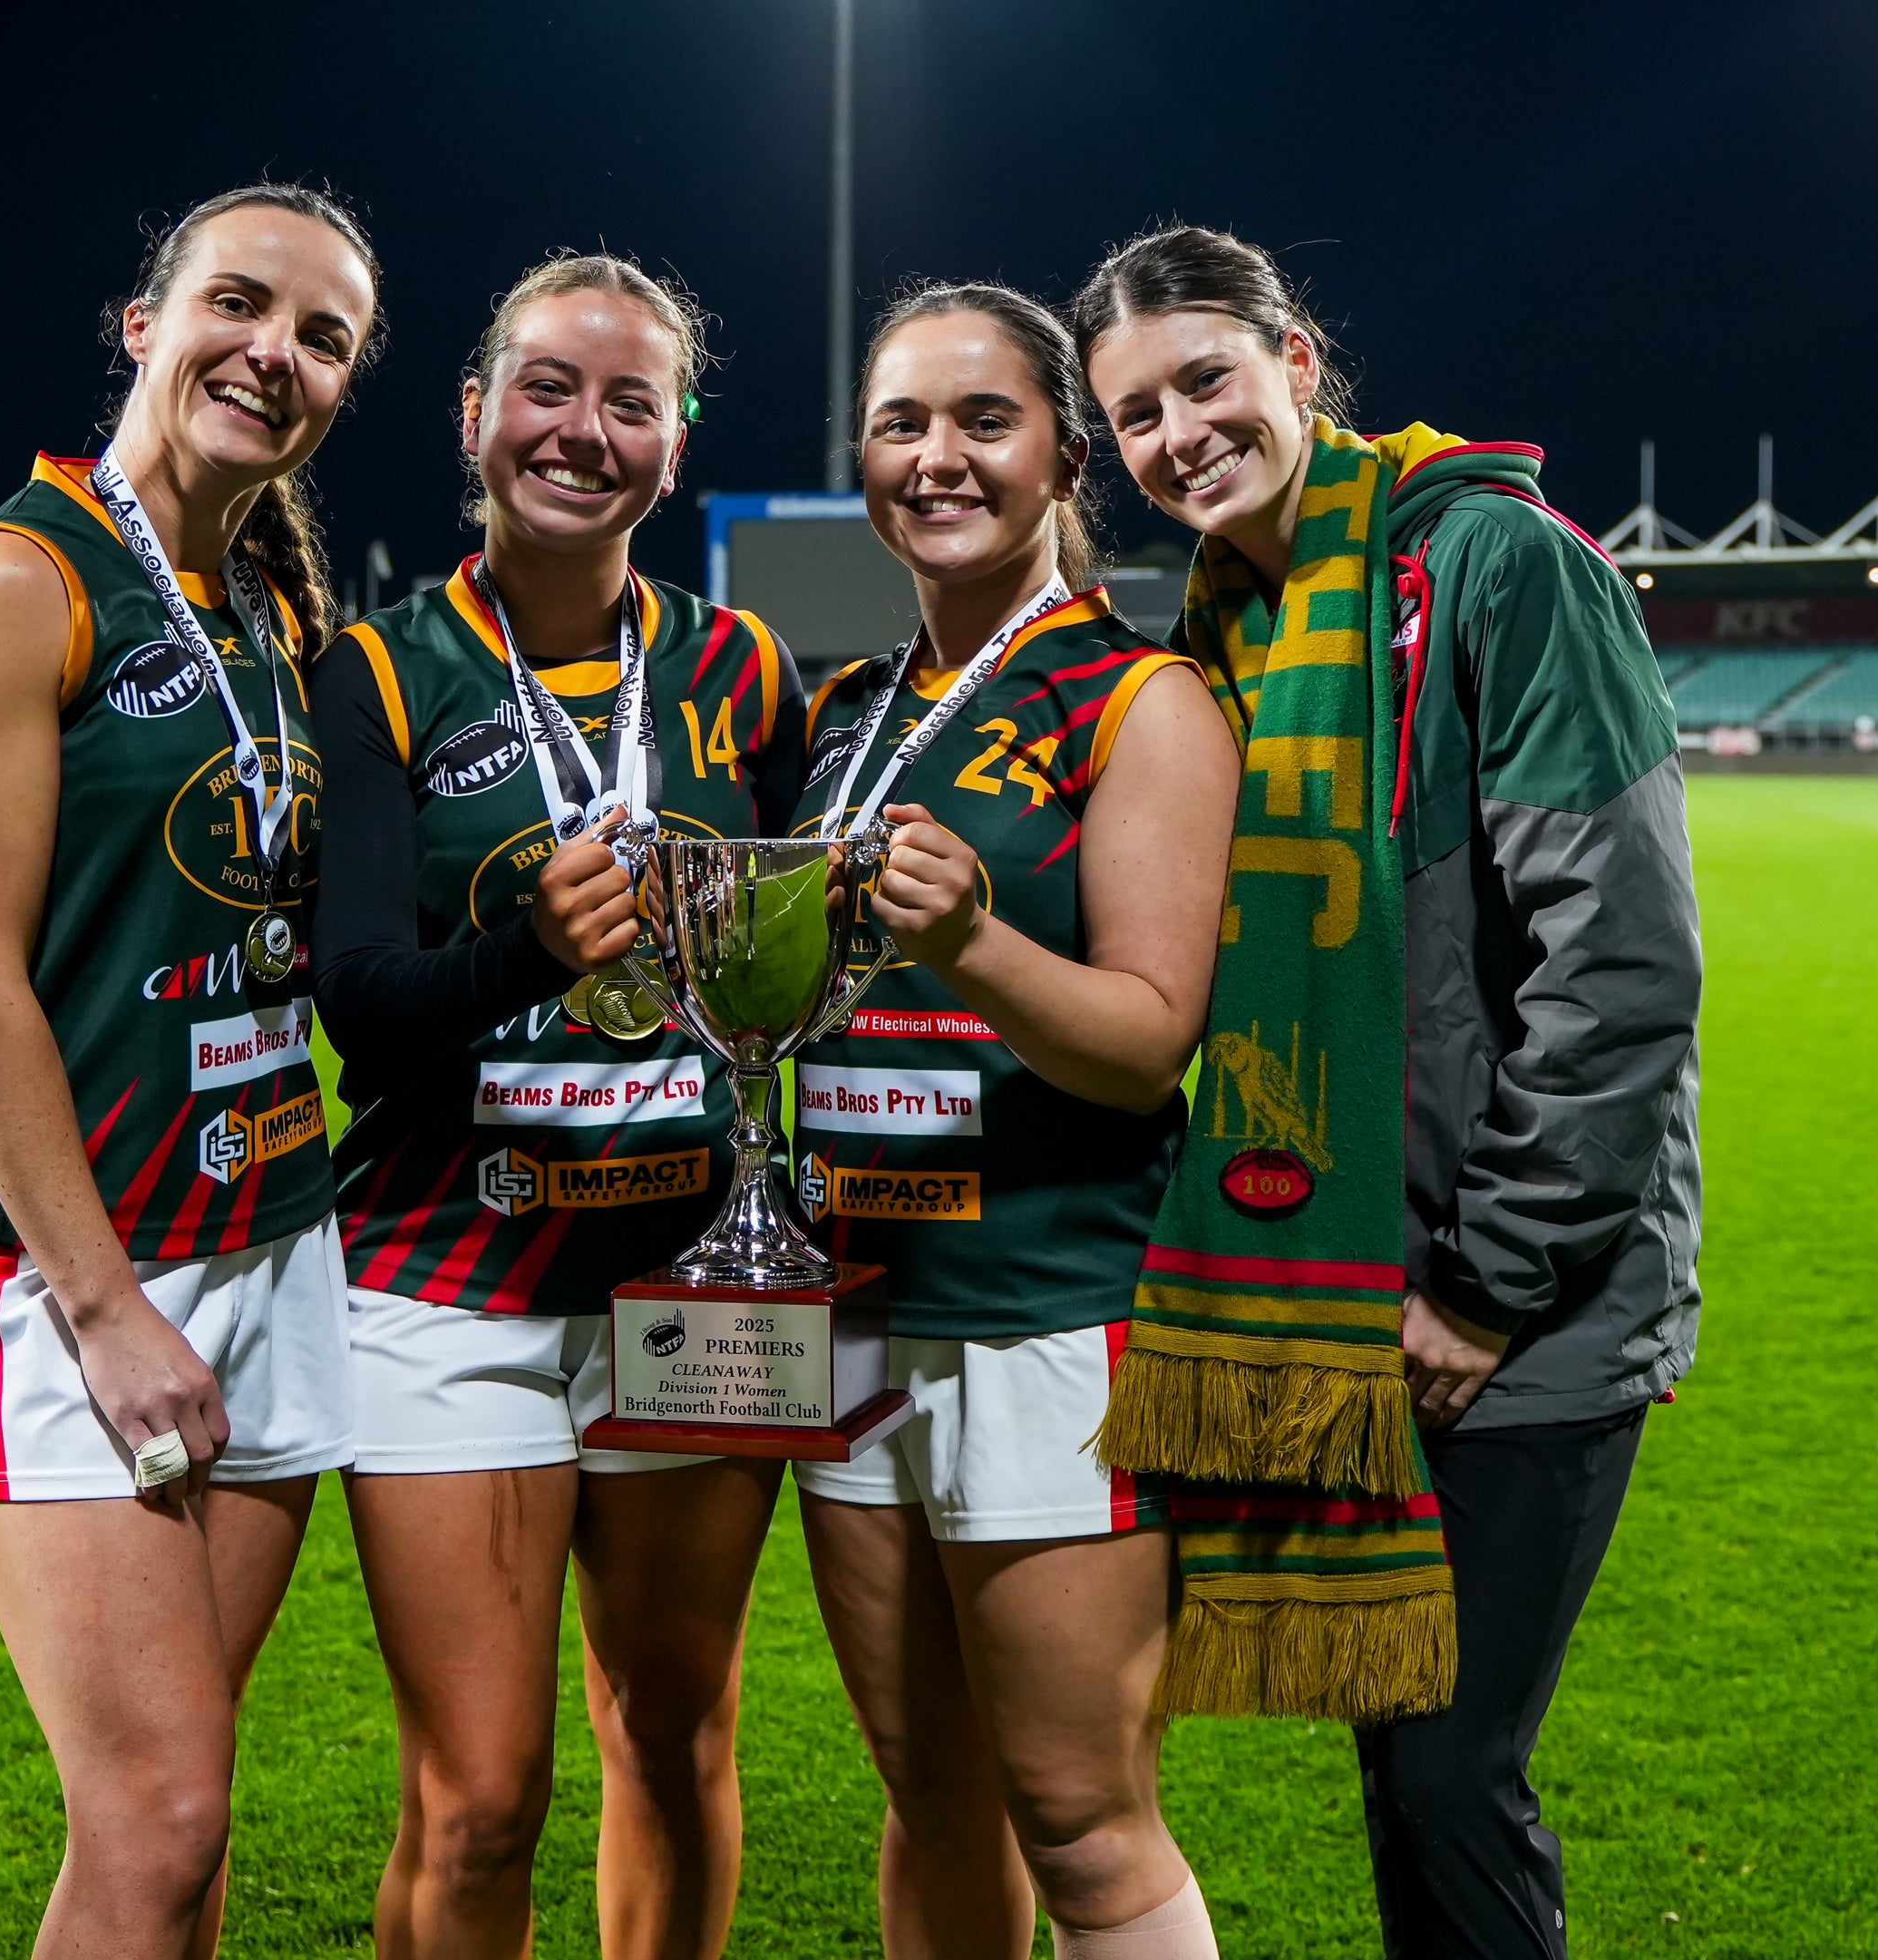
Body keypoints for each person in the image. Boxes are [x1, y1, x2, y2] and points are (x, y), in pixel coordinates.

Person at [1071, 225, 1703, 1960]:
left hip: (1521, 1301)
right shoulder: (1230, 625)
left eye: (1206, 378)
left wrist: (1489, 1283)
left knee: (1446, 1769)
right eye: (1135, 415)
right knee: (1404, 1757)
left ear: (1299, 358)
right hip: (1348, 1281)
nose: (1181, 432)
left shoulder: (1495, 565)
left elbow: (1624, 962)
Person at [0, 184, 381, 1958]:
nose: (277, 352)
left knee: (185, 1819)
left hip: (274, 1240)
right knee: (159, 1814)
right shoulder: (15, 586)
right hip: (73, 1273)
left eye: (322, 336)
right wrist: (103, 1309)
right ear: (141, 323)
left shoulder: (263, 605)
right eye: (239, 305)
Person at [308, 251, 806, 1960]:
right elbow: (361, 1011)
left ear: (675, 441)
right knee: (481, 1796)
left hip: (695, 1284)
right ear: (475, 415)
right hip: (448, 1285)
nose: (582, 431)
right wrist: (530, 945)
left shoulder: (745, 671)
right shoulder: (381, 672)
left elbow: (793, 967)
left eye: (629, 400)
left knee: (674, 1738)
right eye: (546, 387)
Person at [785, 284, 1241, 1960]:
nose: (937, 457)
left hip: (1048, 1316)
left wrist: (971, 942)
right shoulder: (843, 717)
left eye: (985, 420)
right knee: (934, 1801)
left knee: (1083, 1816)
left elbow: (1146, 1041)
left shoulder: (1142, 699)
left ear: (1062, 451)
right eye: (902, 422)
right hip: (849, 1319)